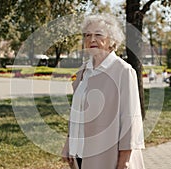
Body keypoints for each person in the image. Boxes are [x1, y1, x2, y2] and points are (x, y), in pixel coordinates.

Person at [62, 14, 145, 169]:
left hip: (109, 156)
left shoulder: (123, 71)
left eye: (98, 34)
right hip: (80, 154)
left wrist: (125, 160)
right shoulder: (83, 71)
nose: (92, 39)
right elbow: (77, 113)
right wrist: (69, 144)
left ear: (111, 40)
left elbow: (130, 119)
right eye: (88, 35)